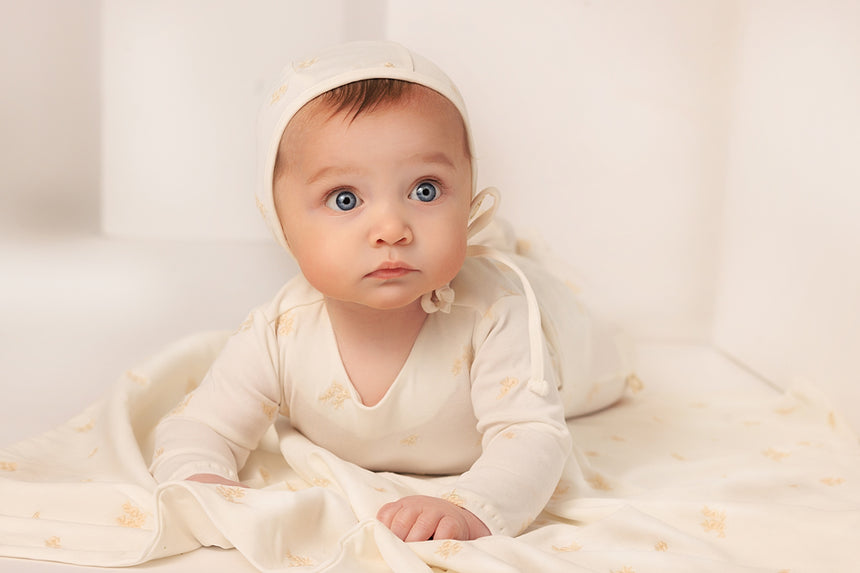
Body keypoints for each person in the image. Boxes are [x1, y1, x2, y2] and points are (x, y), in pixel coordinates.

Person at [149, 41, 630, 543]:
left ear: (468, 195)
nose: (391, 229)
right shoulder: (280, 330)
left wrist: (473, 508)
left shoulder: (495, 315)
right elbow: (199, 427)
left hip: (566, 345)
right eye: (345, 198)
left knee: (596, 353)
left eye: (425, 190)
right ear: (280, 222)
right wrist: (200, 483)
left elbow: (533, 436)